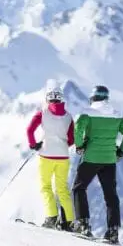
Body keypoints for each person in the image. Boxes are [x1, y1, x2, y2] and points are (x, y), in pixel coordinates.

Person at [72, 85, 123, 244]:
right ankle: (113, 232)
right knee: (111, 195)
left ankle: (83, 225)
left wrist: (79, 146)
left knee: (79, 188)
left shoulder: (87, 113)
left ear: (93, 97)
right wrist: (121, 152)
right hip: (109, 160)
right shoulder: (116, 114)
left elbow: (78, 129)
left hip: (91, 158)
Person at [26, 86, 76, 230]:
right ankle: (69, 222)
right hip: (63, 156)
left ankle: (51, 217)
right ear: (61, 99)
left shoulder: (42, 113)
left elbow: (30, 130)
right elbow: (71, 139)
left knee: (46, 187)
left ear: (47, 99)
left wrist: (34, 144)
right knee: (62, 189)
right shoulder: (68, 117)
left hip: (46, 155)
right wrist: (62, 145)